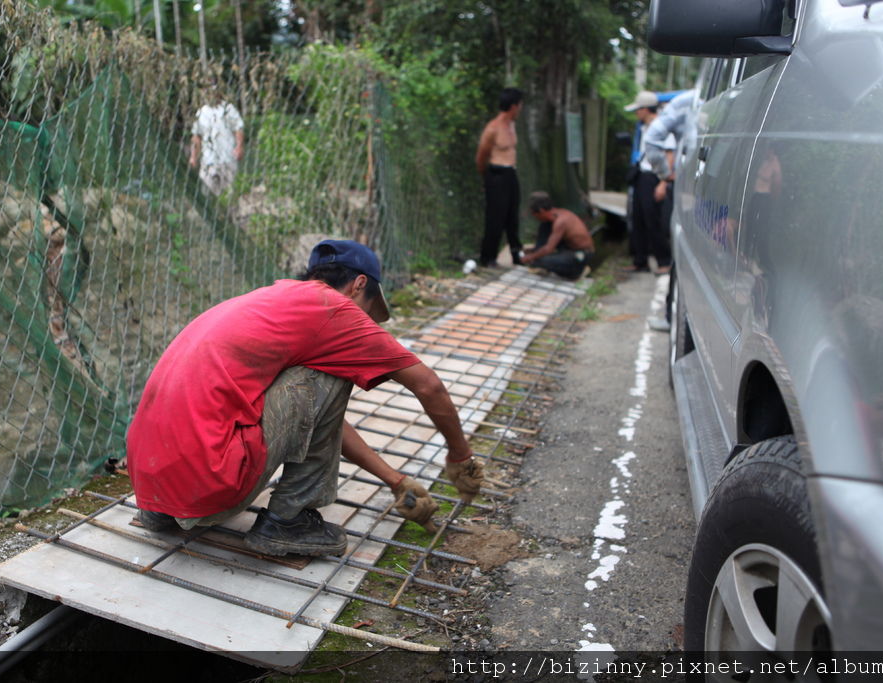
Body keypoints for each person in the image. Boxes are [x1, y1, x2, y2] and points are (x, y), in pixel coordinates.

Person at [126, 240, 485, 557]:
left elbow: (314, 418)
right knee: (331, 373)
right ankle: (287, 522)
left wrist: (395, 480)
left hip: (152, 486)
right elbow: (429, 386)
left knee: (300, 381)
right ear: (360, 284)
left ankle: (163, 512)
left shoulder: (271, 301)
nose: (369, 325)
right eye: (371, 312)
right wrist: (459, 455)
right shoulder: (334, 310)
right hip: (208, 486)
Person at [642, 89, 695, 332]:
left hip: (687, 189)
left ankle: (671, 316)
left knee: (680, 251)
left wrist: (665, 176)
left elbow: (653, 142)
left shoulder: (689, 101)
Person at [623, 90, 671, 275]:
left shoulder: (662, 127)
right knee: (638, 219)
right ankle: (640, 260)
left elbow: (669, 155)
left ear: (645, 109)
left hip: (654, 177)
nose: (636, 113)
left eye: (638, 109)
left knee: (653, 221)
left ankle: (664, 260)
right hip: (641, 176)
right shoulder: (642, 128)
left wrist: (663, 182)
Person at [476, 87, 525, 267]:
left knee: (512, 216)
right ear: (513, 106)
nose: (520, 109)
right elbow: (481, 156)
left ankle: (516, 254)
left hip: (511, 173)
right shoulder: (493, 128)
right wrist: (486, 177)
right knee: (495, 217)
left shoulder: (512, 125)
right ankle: (488, 257)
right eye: (519, 106)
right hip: (496, 174)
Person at [521, 191, 594, 280]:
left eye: (534, 214)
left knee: (539, 260)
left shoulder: (561, 221)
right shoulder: (554, 216)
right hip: (568, 248)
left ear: (541, 211)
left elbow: (548, 249)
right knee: (545, 226)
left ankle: (578, 270)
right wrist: (534, 251)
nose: (535, 217)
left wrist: (529, 257)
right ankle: (542, 262)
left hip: (581, 255)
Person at [189, 87, 244, 195]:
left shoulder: (228, 109)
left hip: (228, 158)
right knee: (207, 192)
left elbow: (238, 129)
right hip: (208, 161)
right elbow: (196, 137)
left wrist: (239, 146)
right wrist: (193, 157)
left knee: (229, 193)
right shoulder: (201, 113)